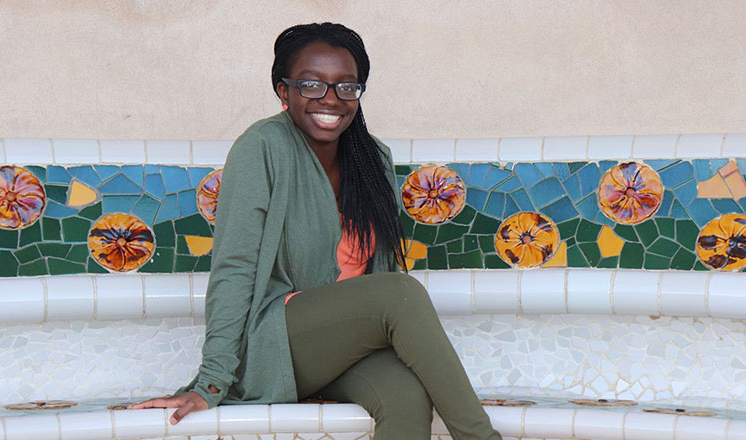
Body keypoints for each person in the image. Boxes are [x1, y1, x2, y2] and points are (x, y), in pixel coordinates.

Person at [131, 22, 502, 440]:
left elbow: (373, 273)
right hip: (275, 345)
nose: (330, 99)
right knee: (400, 292)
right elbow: (234, 267)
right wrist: (212, 381)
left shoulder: (373, 157)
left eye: (346, 87)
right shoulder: (262, 147)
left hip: (339, 348)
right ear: (282, 90)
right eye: (311, 85)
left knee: (407, 397)